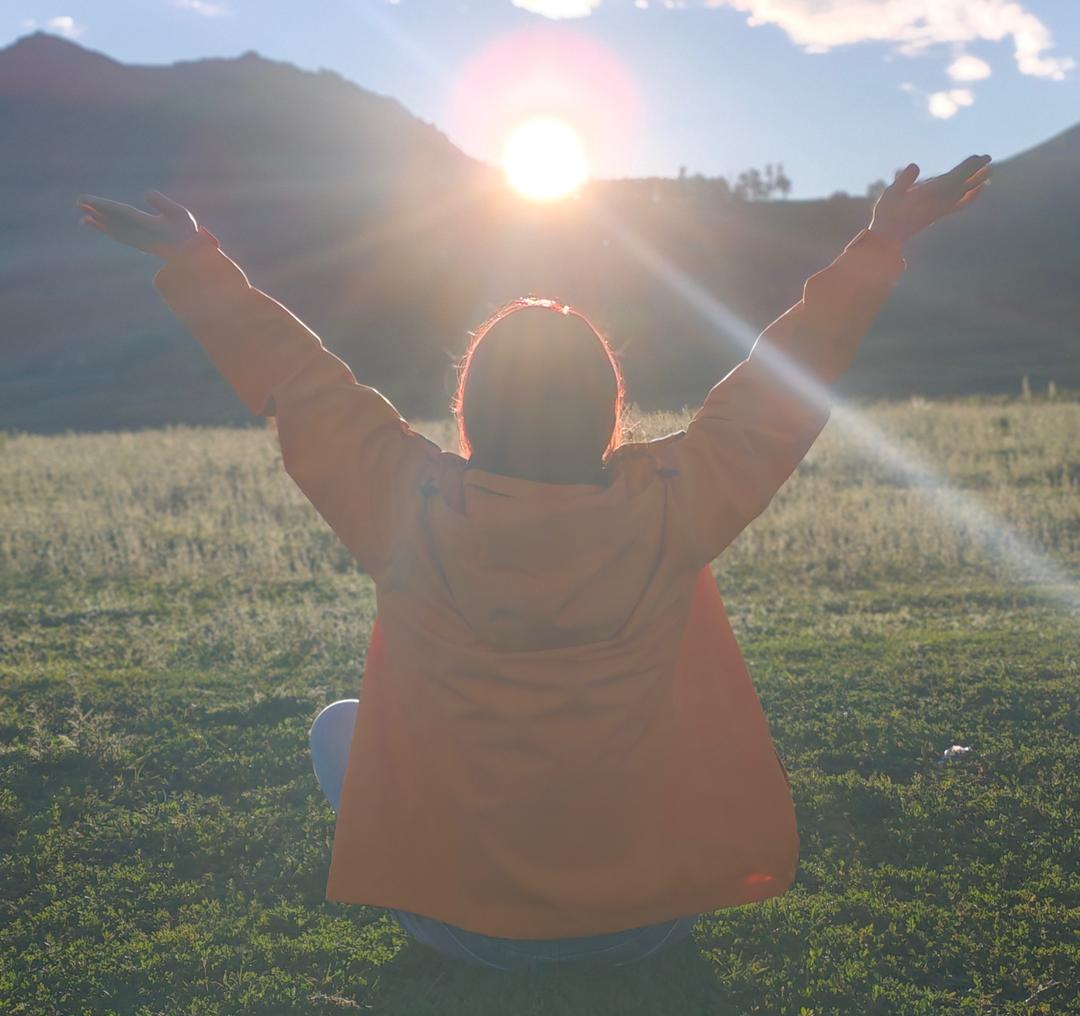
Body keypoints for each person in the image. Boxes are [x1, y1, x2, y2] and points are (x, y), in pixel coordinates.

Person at [76, 154, 991, 971]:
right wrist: (880, 242)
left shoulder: (407, 501)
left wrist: (195, 263)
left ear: (477, 405)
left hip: (456, 926)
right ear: (604, 407)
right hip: (649, 921)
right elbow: (780, 385)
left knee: (337, 728)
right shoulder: (671, 499)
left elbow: (306, 379)